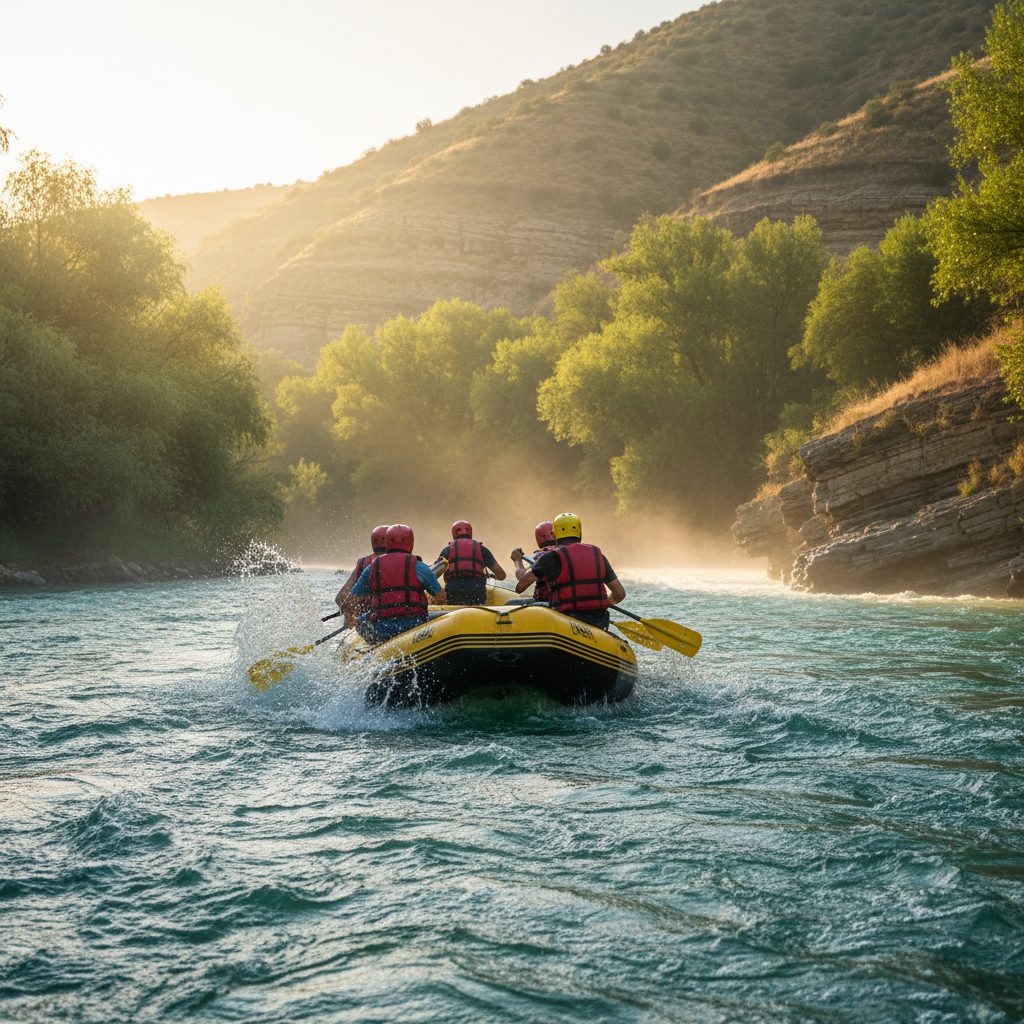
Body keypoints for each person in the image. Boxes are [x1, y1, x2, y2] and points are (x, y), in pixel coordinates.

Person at [513, 512, 624, 630]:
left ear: (555, 535)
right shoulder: (598, 555)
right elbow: (620, 594)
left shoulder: (551, 557)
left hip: (565, 620)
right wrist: (606, 603)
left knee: (511, 604)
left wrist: (518, 561)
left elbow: (520, 587)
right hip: (597, 620)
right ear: (580, 533)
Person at [348, 523, 442, 643]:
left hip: (382, 629)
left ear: (388, 543)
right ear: (411, 543)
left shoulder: (372, 568)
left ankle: (376, 648)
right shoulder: (420, 567)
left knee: (361, 624)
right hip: (414, 626)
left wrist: (352, 618)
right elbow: (440, 596)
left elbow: (352, 599)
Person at [435, 520, 506, 605]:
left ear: (453, 533)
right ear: (470, 532)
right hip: (477, 590)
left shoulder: (447, 550)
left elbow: (433, 574)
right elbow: (501, 575)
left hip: (454, 591)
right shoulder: (482, 549)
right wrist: (490, 576)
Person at [334, 524, 388, 626]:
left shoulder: (364, 564)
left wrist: (351, 616)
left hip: (367, 621)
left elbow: (341, 598)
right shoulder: (404, 562)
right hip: (392, 619)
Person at [510, 520, 557, 602]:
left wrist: (517, 561)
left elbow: (522, 578)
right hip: (566, 601)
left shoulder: (540, 556)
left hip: (547, 603)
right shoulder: (567, 552)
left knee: (510, 603)